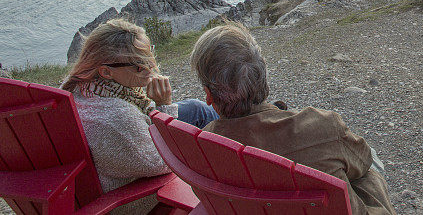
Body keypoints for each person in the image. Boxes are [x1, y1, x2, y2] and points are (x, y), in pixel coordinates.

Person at [190, 22, 396, 215]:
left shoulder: (203, 147)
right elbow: (364, 159)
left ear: (208, 95)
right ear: (263, 77)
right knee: (368, 167)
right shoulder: (323, 127)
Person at [61, 18, 218, 212]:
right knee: (202, 115)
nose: (150, 66)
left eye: (148, 54)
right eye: (138, 65)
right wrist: (164, 107)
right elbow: (166, 161)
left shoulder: (79, 87)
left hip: (127, 154)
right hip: (138, 198)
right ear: (106, 71)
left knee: (197, 109)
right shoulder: (117, 118)